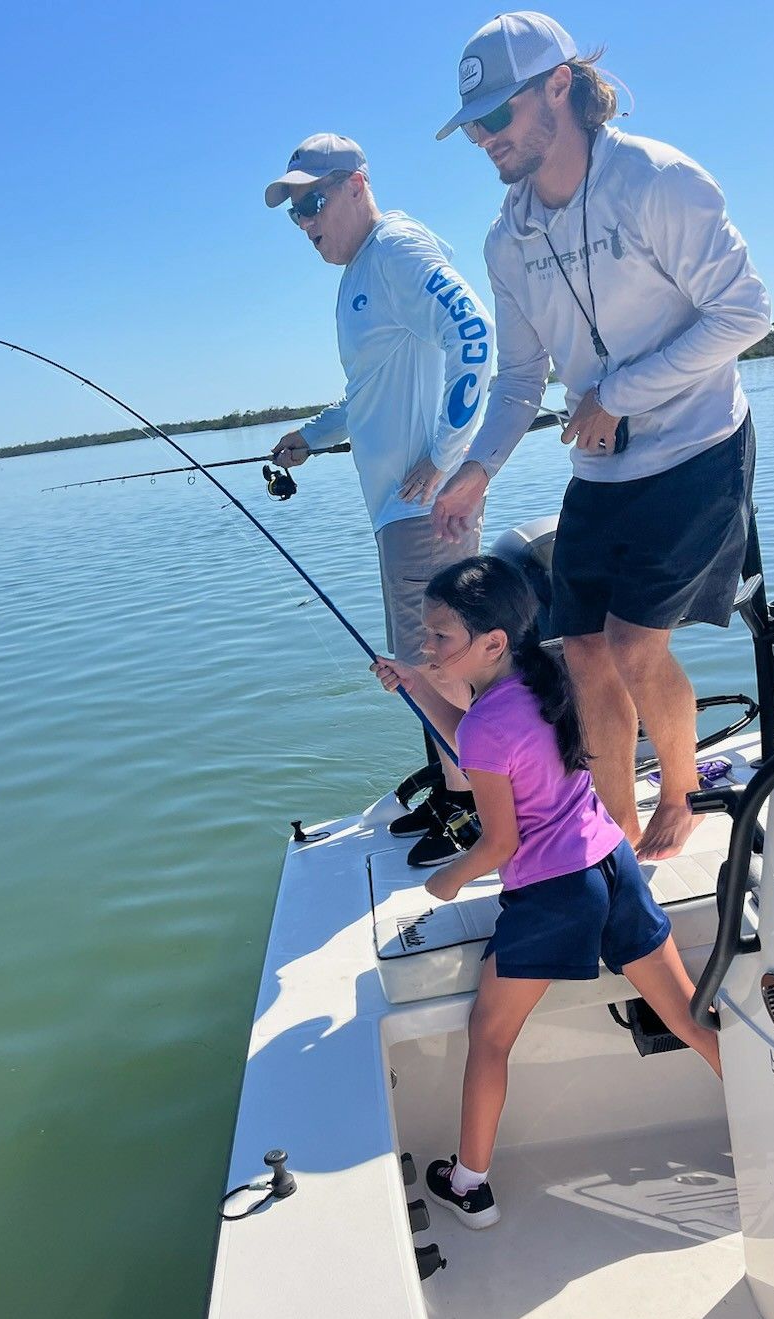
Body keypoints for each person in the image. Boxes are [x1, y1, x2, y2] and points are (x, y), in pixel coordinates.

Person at [429, 13, 772, 863]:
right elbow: (520, 379)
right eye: (472, 126)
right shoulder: (506, 240)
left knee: (632, 644)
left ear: (560, 86)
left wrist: (618, 394)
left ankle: (681, 795)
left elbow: (745, 313)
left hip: (698, 447)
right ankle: (614, 827)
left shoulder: (659, 181)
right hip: (601, 469)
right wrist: (476, 471)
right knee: (580, 649)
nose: (484, 139)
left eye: (496, 116)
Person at [372, 555, 721, 1227]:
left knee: (489, 1037)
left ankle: (469, 1185)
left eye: (440, 636)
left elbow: (498, 845)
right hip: (614, 866)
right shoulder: (541, 678)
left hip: (555, 896)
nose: (427, 646)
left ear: (492, 643)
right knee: (688, 1017)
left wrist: (446, 880)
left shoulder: (484, 723)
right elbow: (480, 743)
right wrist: (417, 684)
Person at [264, 133, 496, 867]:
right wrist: (312, 436)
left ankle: (478, 806)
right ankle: (456, 786)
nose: (305, 221)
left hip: (421, 512)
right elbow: (366, 396)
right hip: (399, 515)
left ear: (357, 185)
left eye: (314, 201)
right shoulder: (361, 274)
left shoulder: (395, 250)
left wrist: (447, 454)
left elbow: (476, 334)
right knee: (423, 662)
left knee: (435, 665)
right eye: (295, 210)